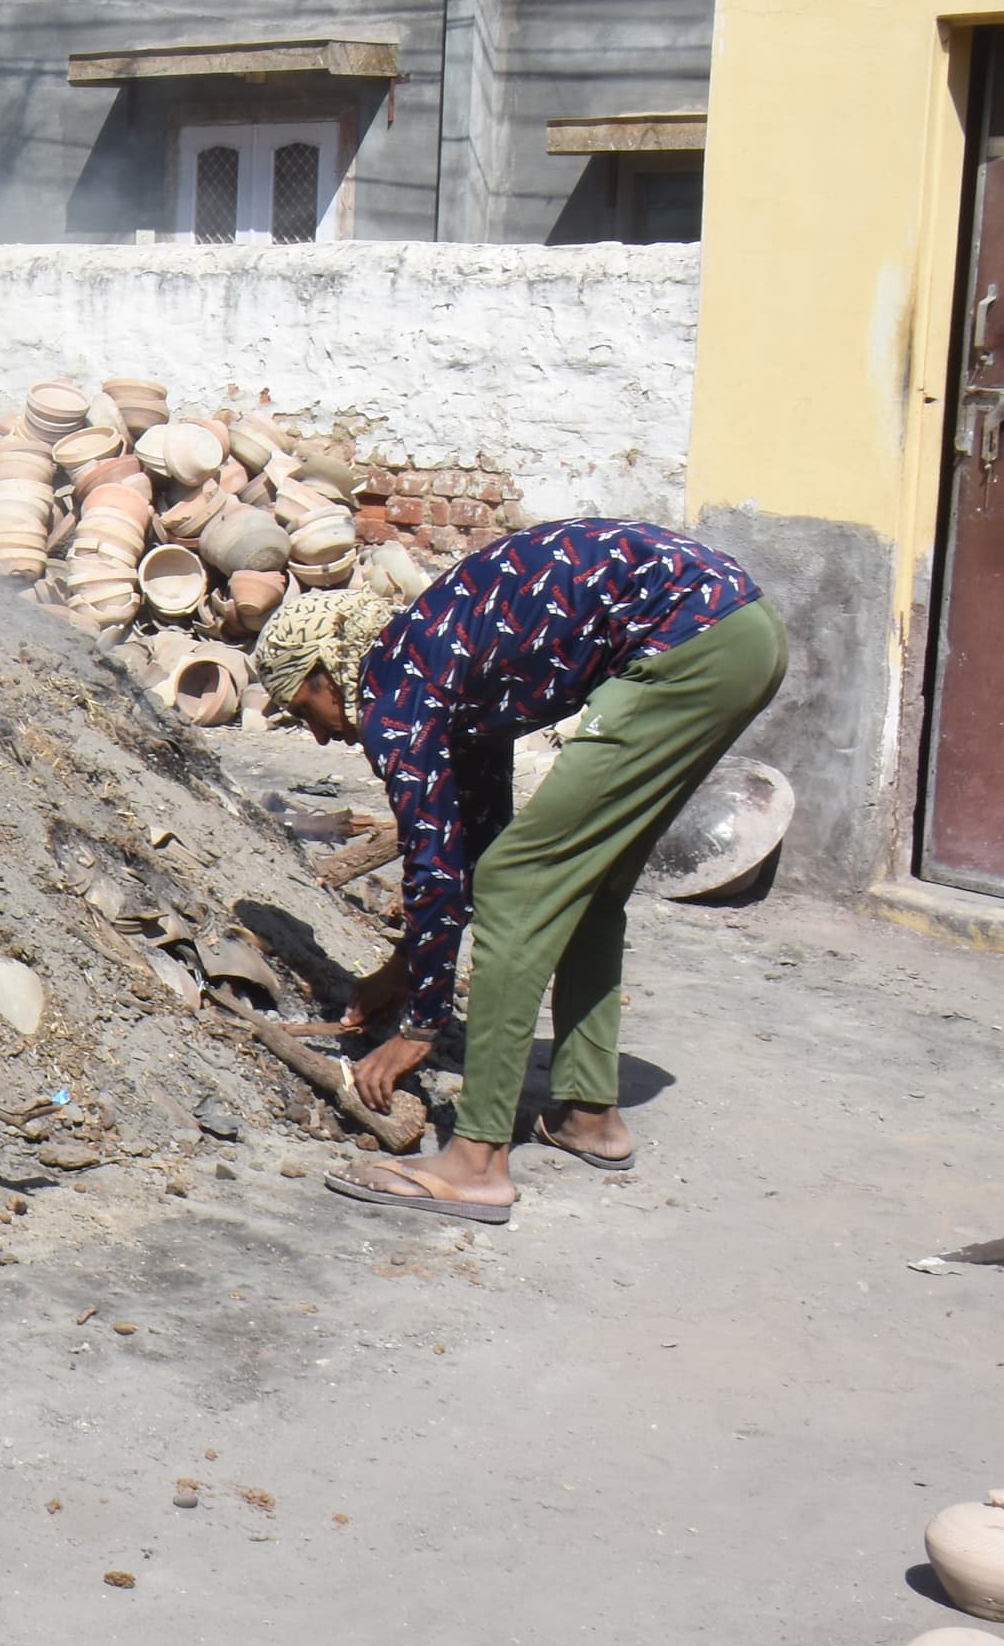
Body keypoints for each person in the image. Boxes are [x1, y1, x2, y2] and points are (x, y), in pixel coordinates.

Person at [252, 518, 783, 1223]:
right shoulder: (440, 656)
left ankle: (474, 1165)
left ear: (323, 671)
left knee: (519, 881)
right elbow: (470, 837)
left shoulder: (395, 690)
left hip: (686, 643)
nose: (318, 734)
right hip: (740, 635)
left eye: (302, 709)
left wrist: (423, 1023)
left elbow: (446, 872)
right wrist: (409, 965)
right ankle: (590, 1116)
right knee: (582, 878)